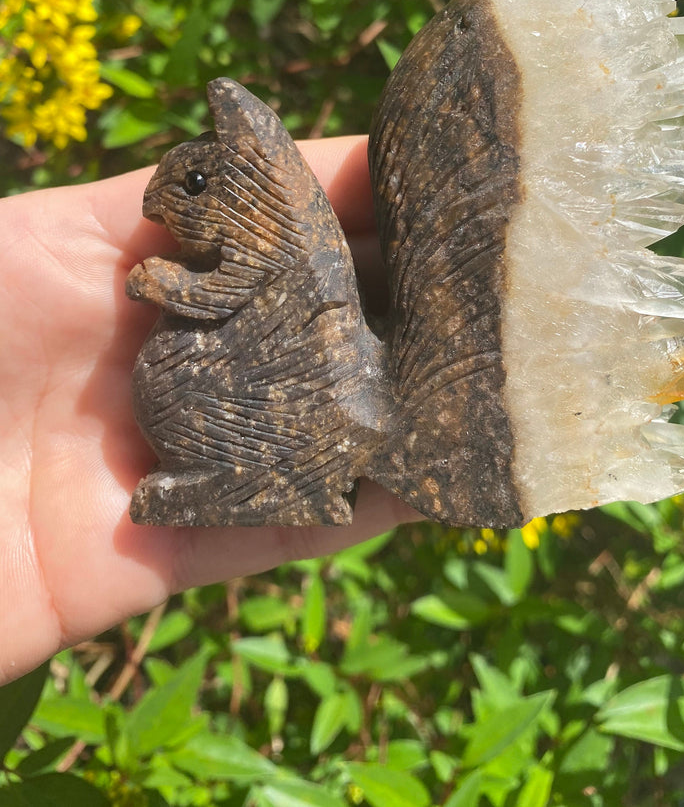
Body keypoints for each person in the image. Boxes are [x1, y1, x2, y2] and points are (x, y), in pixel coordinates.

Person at [0, 135, 416, 686]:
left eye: (192, 188)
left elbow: (224, 296)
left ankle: (255, 481)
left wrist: (172, 283)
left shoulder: (276, 258)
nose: (156, 209)